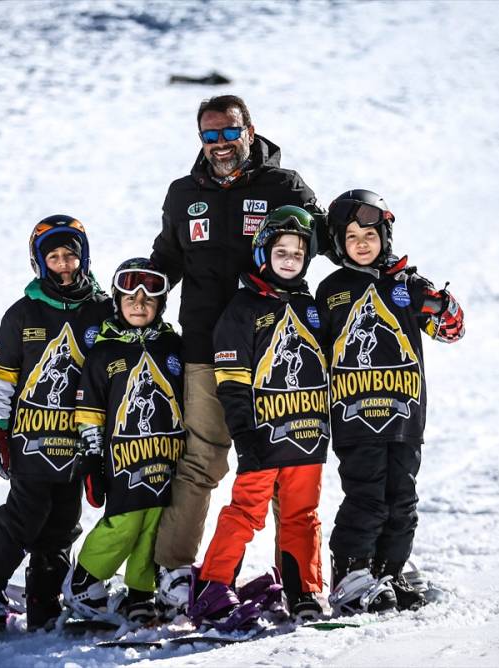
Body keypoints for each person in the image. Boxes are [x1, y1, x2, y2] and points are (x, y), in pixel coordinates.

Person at [149, 94, 331, 616]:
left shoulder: (282, 186)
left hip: (281, 351)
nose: (220, 144)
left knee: (283, 464)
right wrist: (130, 300)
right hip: (208, 346)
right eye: (210, 135)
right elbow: (167, 258)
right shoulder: (184, 193)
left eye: (229, 132)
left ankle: (294, 580)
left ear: (249, 131)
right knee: (203, 458)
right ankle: (176, 573)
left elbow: (325, 240)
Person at [0, 215, 112, 633]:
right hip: (32, 437)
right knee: (26, 512)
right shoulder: (22, 313)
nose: (63, 264)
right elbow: (1, 379)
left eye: (70, 255)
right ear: (39, 263)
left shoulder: (103, 310)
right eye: (53, 257)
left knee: (63, 521)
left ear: (84, 257)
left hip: (77, 441)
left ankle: (44, 597)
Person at [315, 189, 465, 614]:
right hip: (355, 417)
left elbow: (451, 331)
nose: (361, 243)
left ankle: (388, 570)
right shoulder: (331, 291)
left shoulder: (407, 285)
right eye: (350, 237)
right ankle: (350, 573)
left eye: (369, 233)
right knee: (367, 495)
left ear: (386, 234)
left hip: (403, 417)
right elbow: (312, 350)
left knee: (402, 497)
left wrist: (442, 306)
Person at [188, 206, 329, 630]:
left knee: (302, 513)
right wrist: (245, 433)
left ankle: (303, 589)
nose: (289, 259)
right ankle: (213, 586)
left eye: (297, 253)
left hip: (307, 434)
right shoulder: (243, 307)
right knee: (246, 512)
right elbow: (231, 381)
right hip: (264, 436)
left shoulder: (310, 306)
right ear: (263, 253)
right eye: (280, 250)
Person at [61, 258, 185, 626]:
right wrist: (91, 457)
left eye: (149, 300)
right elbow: (89, 411)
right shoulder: (104, 352)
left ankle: (140, 592)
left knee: (153, 524)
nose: (139, 304)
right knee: (124, 522)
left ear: (161, 305)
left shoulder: (173, 346)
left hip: (165, 454)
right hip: (122, 458)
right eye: (130, 298)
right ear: (117, 301)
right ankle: (84, 581)